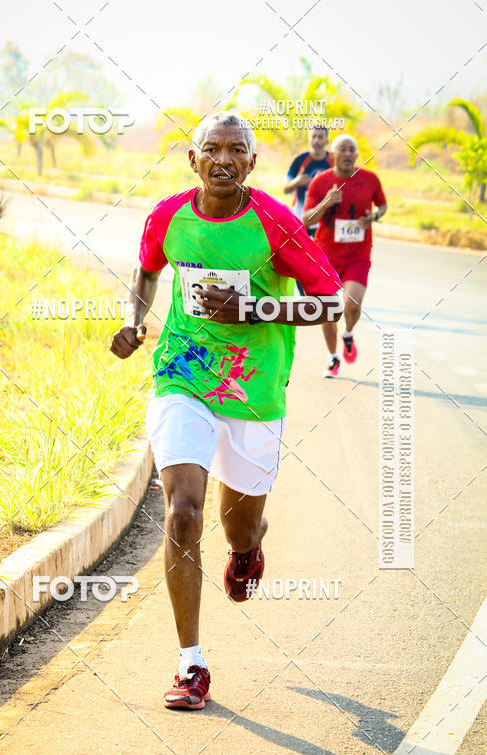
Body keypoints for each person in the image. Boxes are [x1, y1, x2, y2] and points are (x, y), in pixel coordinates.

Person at [110, 112, 342, 710]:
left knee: (237, 525)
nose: (222, 159)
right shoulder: (168, 215)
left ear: (251, 163)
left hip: (254, 393)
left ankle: (248, 546)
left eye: (236, 150)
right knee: (183, 513)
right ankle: (191, 666)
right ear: (192, 160)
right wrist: (134, 320)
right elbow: (147, 268)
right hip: (181, 374)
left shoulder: (275, 222)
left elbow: (328, 305)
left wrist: (252, 313)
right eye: (210, 148)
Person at [303, 134, 387, 378]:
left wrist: (374, 217)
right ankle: (333, 357)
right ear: (333, 155)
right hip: (326, 255)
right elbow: (306, 219)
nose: (348, 154)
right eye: (343, 150)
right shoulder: (321, 182)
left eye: (352, 150)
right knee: (328, 310)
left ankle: (348, 333)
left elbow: (382, 205)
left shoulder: (370, 179)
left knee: (352, 304)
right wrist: (326, 203)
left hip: (358, 254)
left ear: (357, 155)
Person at [283, 126, 332, 236]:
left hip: (325, 220)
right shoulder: (300, 160)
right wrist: (297, 181)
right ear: (308, 140)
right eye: (313, 137)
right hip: (301, 219)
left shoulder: (333, 160)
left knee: (322, 253)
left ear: (326, 141)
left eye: (320, 137)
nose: (316, 140)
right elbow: (285, 188)